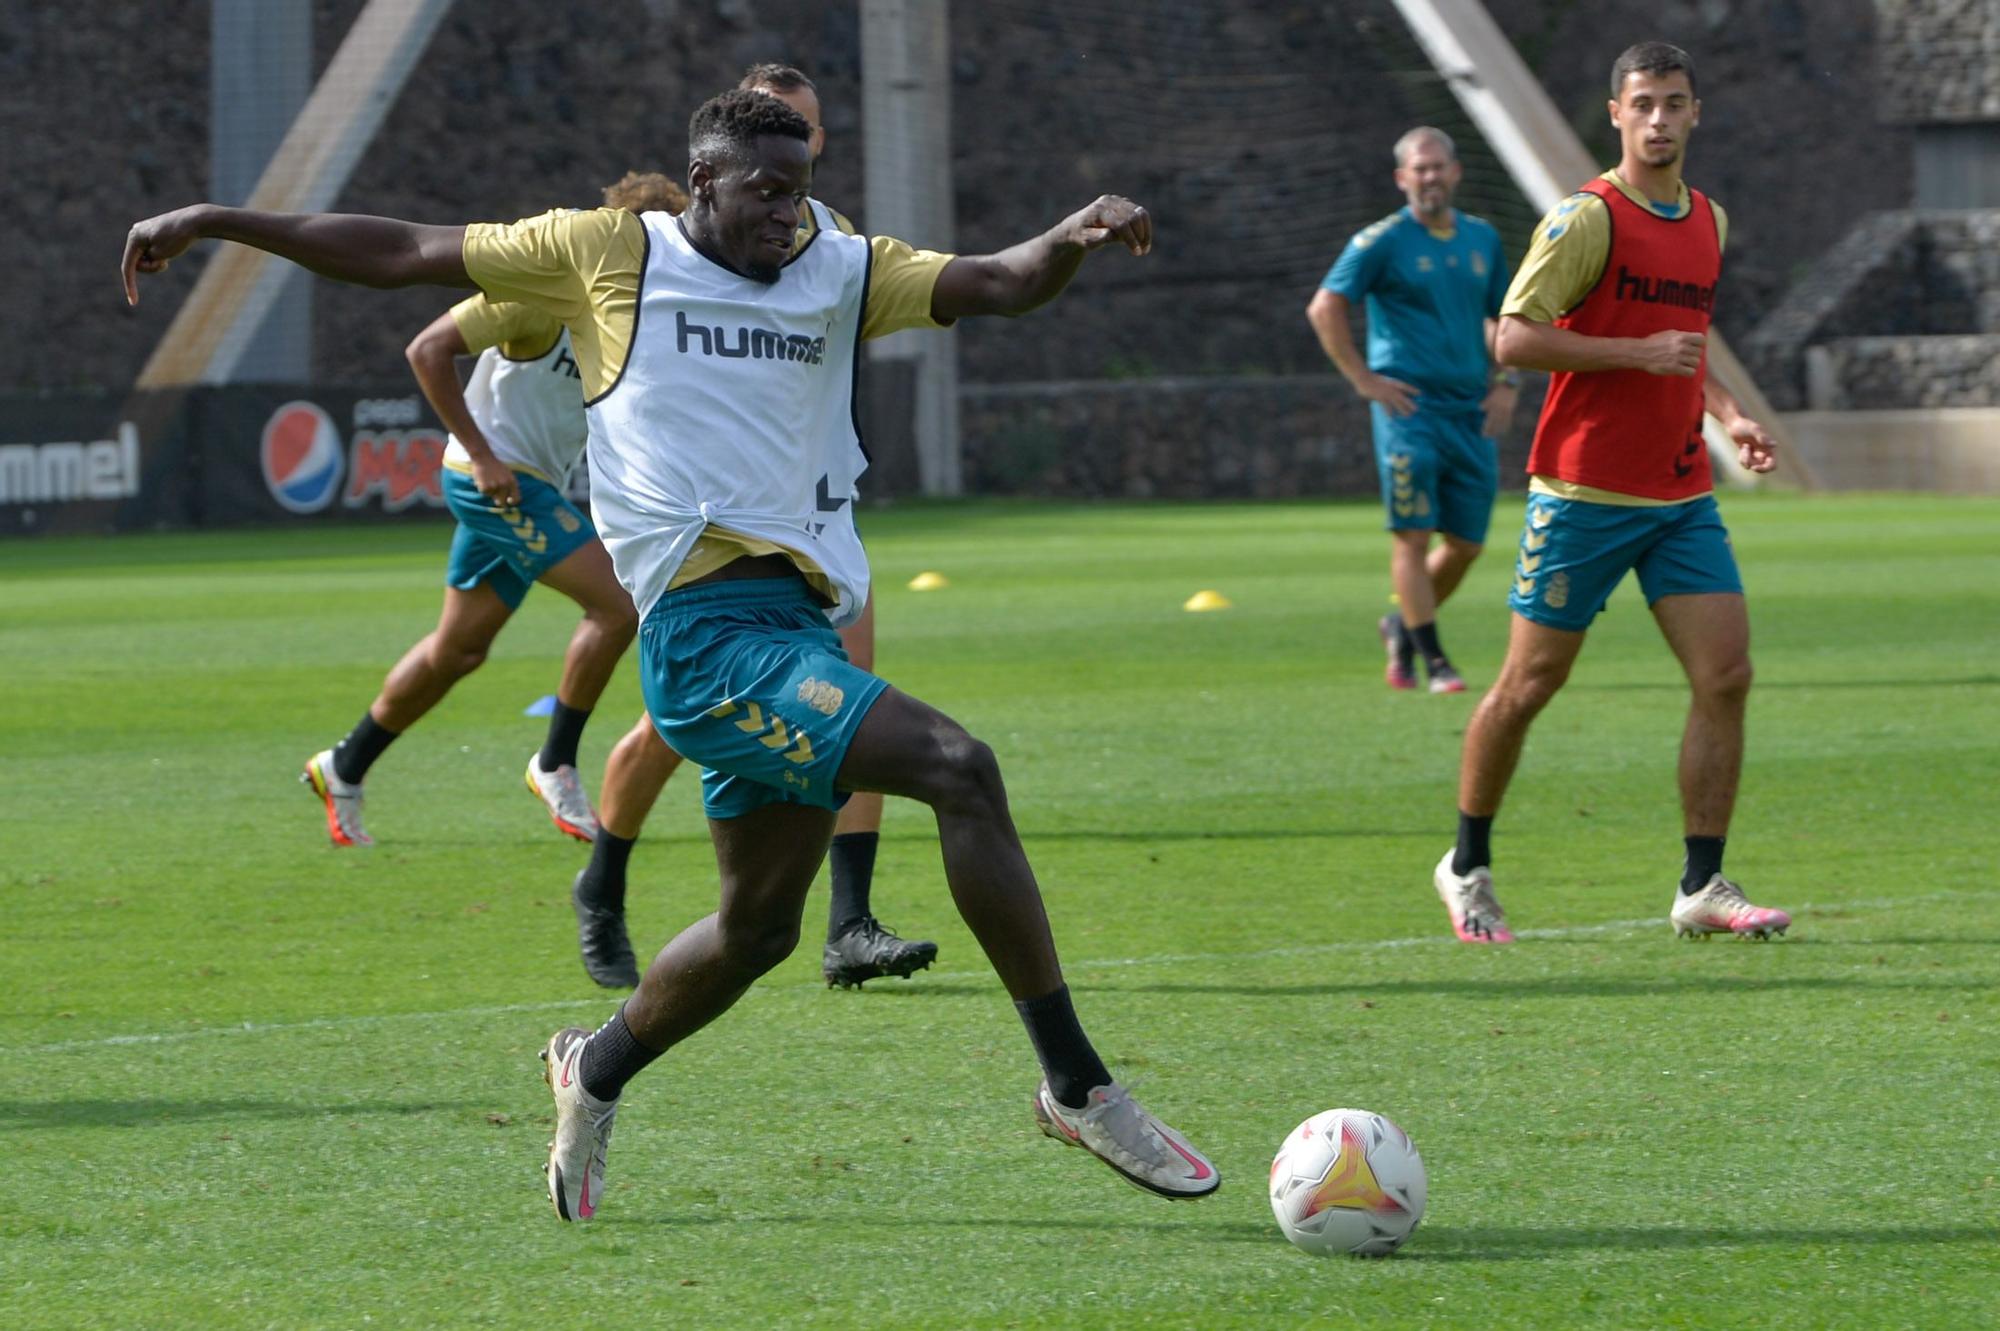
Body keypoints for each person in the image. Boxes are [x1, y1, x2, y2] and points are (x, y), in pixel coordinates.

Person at [123, 89, 1221, 1219]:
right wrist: (215, 219)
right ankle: (1075, 1083)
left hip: (792, 626)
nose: (789, 212)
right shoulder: (604, 250)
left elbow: (998, 280)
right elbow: (406, 252)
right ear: (701, 181)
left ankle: (592, 1068)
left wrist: (1069, 237)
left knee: (756, 932)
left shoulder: (838, 265)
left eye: (800, 188)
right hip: (703, 637)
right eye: (765, 190)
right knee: (957, 764)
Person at [574, 64, 938, 993]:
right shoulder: (643, 258)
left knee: (853, 698)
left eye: (812, 135)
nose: (804, 147)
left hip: (814, 526)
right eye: (788, 133)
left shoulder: (830, 246)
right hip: (705, 555)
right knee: (666, 727)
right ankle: (603, 881)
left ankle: (849, 920)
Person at [1430, 42, 1792, 944]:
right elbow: (1513, 340)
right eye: (1645, 104)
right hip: (1583, 492)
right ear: (1617, 114)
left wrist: (1727, 413)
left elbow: (1686, 344)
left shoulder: (1708, 220)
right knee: (1529, 682)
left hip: (1678, 494)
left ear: (1696, 114)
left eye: (1676, 102)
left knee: (1727, 675)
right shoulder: (1585, 220)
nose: (1661, 118)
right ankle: (1465, 862)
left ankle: (1702, 884)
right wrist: (1635, 356)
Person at [297, 172, 684, 848]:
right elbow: (427, 349)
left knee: (459, 649)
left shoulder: (632, 313)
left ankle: (345, 764)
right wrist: (480, 454)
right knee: (617, 606)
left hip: (533, 488)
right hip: (494, 482)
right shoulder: (540, 292)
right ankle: (556, 761)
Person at [1306, 127, 1516, 695]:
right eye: (1417, 170)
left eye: (1437, 167)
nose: (1429, 177)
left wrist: (1509, 380)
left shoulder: (1482, 239)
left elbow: (1502, 318)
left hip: (1470, 410)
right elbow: (1325, 306)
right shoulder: (1380, 241)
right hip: (1409, 410)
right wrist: (1363, 379)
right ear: (1402, 179)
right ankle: (1433, 659)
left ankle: (1402, 625)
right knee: (1414, 535)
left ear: (1455, 172)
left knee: (1468, 544)